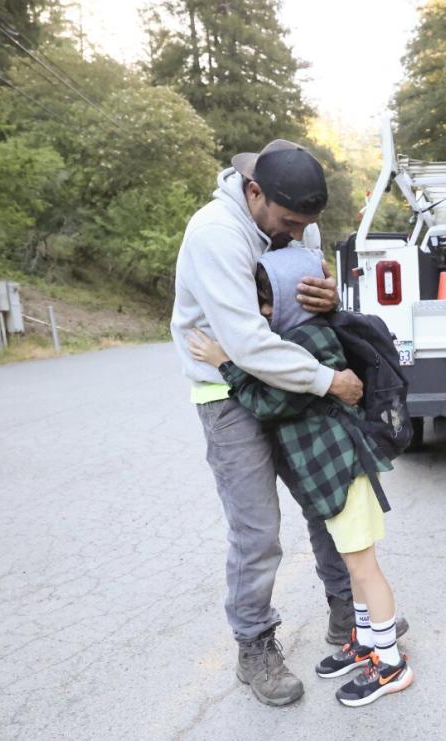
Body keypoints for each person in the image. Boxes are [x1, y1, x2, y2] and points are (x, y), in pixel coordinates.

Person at [171, 139, 367, 707]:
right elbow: (248, 344)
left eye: (307, 225)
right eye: (288, 222)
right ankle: (254, 646)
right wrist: (331, 381)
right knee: (257, 531)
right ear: (255, 192)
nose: (296, 233)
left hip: (291, 378)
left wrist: (327, 299)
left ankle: (346, 616)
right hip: (228, 390)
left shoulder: (291, 221)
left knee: (327, 500)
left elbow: (303, 294)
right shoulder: (216, 234)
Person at [187, 248, 413, 708]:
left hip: (342, 471)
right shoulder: (306, 336)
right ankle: (366, 642)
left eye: (267, 302)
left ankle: (390, 663)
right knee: (355, 566)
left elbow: (271, 402)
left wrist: (225, 361)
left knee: (365, 568)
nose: (261, 312)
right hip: (333, 472)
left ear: (289, 302)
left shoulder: (303, 346)